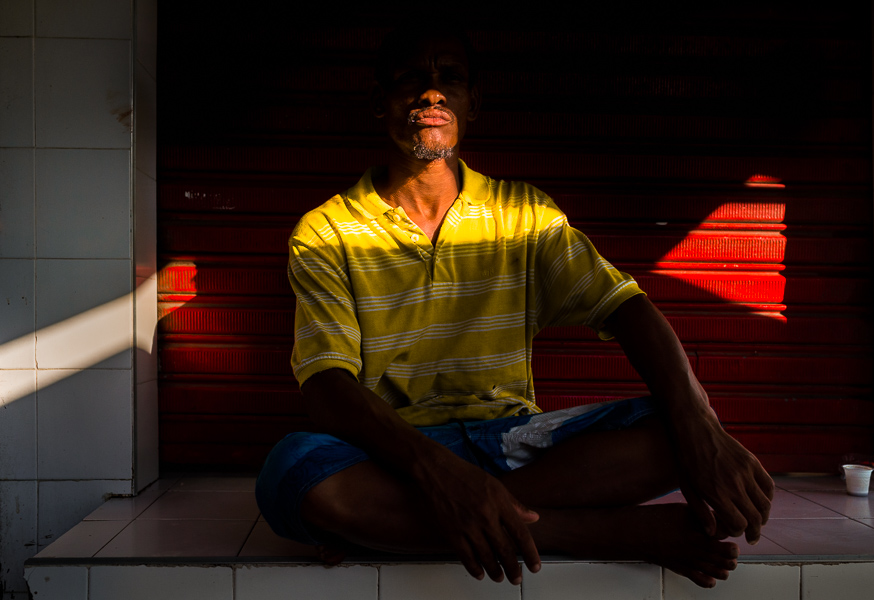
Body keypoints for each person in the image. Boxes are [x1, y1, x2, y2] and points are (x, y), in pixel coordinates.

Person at [256, 25, 774, 589]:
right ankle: (598, 532)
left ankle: (393, 525)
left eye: (449, 79)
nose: (432, 93)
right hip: (397, 454)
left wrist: (702, 424)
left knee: (672, 425)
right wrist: (439, 471)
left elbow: (625, 307)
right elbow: (327, 385)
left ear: (471, 103)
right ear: (380, 102)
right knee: (291, 468)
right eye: (412, 80)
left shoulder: (523, 213)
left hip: (513, 443)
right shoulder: (327, 229)